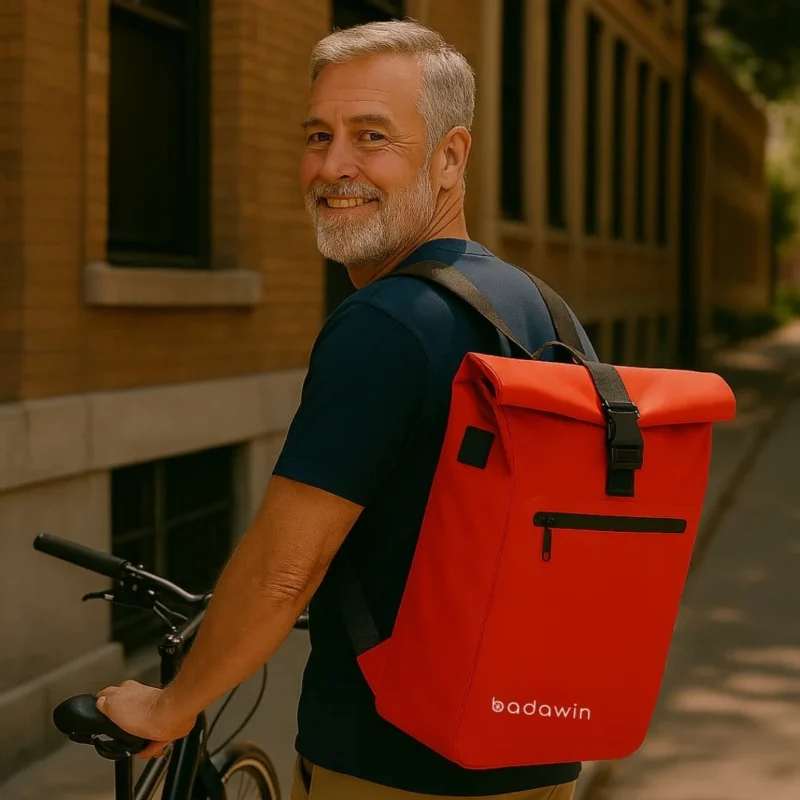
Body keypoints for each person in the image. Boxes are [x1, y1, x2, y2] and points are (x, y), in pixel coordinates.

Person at [94, 20, 595, 800]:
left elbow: (284, 572)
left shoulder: (387, 323)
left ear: (451, 157)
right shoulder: (545, 310)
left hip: (391, 768)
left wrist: (169, 705)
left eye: (371, 137)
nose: (333, 167)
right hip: (532, 755)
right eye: (318, 134)